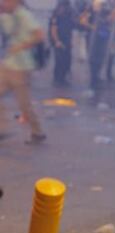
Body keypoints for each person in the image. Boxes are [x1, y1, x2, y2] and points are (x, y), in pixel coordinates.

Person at [0, 0, 46, 144]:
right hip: (8, 63)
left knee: (24, 104)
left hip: (21, 67)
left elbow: (39, 35)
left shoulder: (24, 15)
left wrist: (21, 46)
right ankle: (1, 128)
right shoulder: (6, 14)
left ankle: (37, 132)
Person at [49, 0, 73, 87]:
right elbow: (53, 29)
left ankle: (62, 78)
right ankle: (58, 79)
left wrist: (70, 41)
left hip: (66, 40)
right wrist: (56, 41)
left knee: (67, 59)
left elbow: (70, 28)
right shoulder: (56, 15)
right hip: (59, 41)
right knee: (59, 60)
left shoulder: (68, 14)